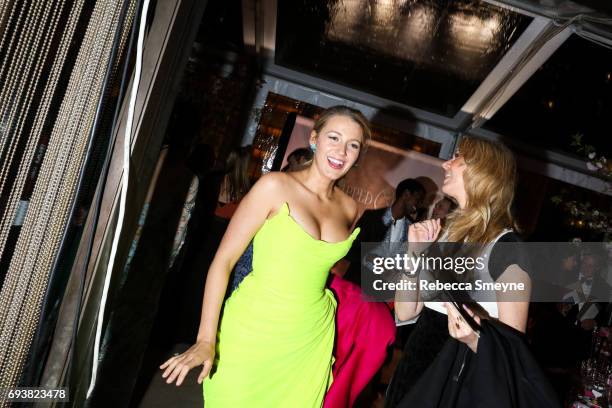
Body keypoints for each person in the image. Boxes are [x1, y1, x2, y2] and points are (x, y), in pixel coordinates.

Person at [160, 106, 370, 407]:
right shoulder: (275, 186)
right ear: (314, 139)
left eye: (353, 145)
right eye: (334, 137)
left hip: (310, 339)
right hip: (253, 328)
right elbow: (224, 261)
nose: (341, 151)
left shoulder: (351, 208)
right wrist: (206, 338)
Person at [387, 136, 538, 407]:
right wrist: (414, 253)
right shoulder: (445, 234)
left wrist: (474, 336)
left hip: (456, 383)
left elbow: (512, 350)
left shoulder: (507, 247)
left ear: (481, 172)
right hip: (412, 376)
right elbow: (405, 312)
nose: (446, 163)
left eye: (457, 157)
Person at [343, 178, 425, 285]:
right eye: (418, 199)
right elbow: (350, 252)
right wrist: (372, 258)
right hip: (356, 284)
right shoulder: (371, 218)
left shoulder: (413, 230)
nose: (419, 204)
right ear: (406, 194)